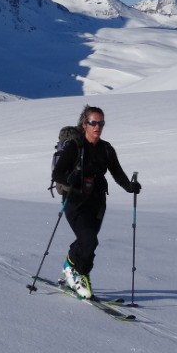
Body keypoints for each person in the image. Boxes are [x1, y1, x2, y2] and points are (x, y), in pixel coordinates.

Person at [51, 104, 141, 299]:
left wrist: (130, 187)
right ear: (85, 124)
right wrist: (69, 180)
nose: (97, 126)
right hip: (75, 201)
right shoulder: (75, 146)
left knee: (87, 241)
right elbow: (57, 173)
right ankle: (80, 275)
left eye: (101, 123)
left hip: (97, 203)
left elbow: (117, 173)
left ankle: (70, 267)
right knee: (89, 240)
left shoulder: (106, 149)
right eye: (94, 122)